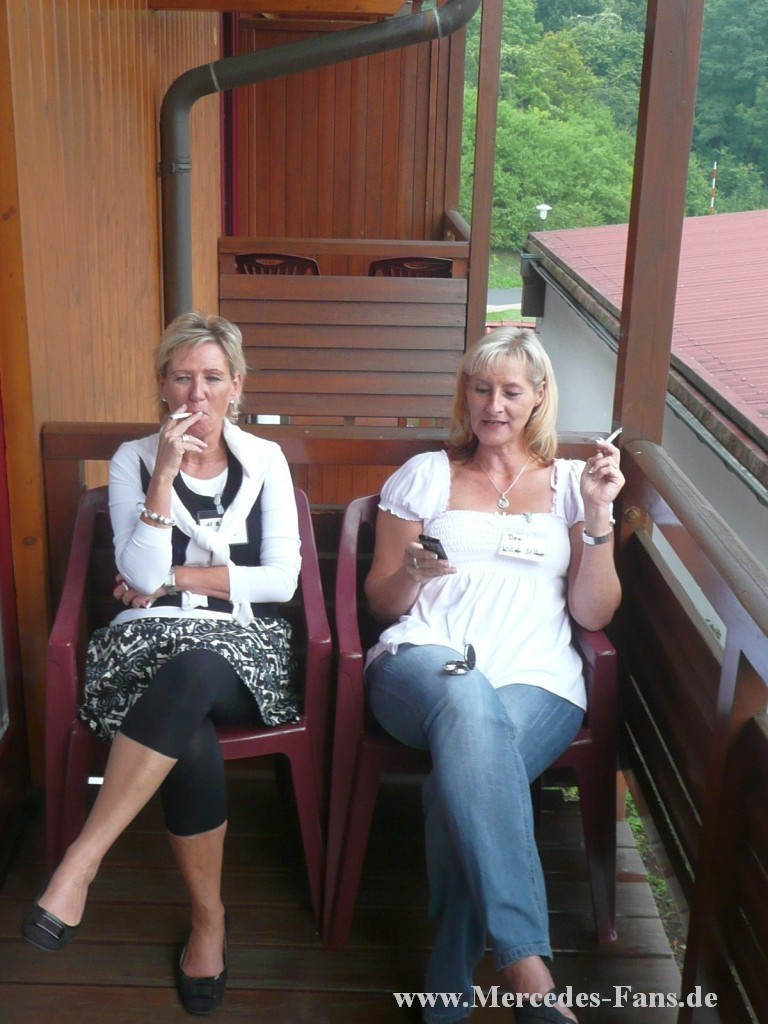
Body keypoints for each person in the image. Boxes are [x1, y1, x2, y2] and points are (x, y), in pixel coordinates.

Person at [22, 312, 302, 1015]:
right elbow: (137, 574)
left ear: (237, 386)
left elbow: (281, 581)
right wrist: (164, 478)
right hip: (144, 642)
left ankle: (82, 860)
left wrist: (176, 579)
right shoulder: (133, 459)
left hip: (242, 647)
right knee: (191, 729)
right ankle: (209, 921)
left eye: (213, 378)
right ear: (161, 385)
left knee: (197, 668)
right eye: (182, 378)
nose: (197, 394)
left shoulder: (265, 460)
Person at [363, 327, 624, 1024]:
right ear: (466, 395)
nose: (494, 405)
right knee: (466, 691)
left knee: (459, 783)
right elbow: (381, 601)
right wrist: (412, 573)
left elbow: (593, 611)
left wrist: (599, 516)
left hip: (539, 679)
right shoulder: (427, 475)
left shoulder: (572, 486)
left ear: (539, 397)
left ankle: (449, 981)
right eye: (481, 389)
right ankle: (526, 967)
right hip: (424, 659)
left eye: (510, 391)